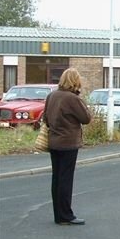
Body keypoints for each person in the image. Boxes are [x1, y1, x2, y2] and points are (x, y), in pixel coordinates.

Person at [43, 68, 92, 225]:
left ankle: (58, 214)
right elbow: (86, 118)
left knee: (56, 178)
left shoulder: (51, 96)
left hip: (54, 142)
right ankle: (66, 215)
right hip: (68, 143)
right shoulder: (72, 99)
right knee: (66, 179)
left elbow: (46, 118)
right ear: (75, 81)